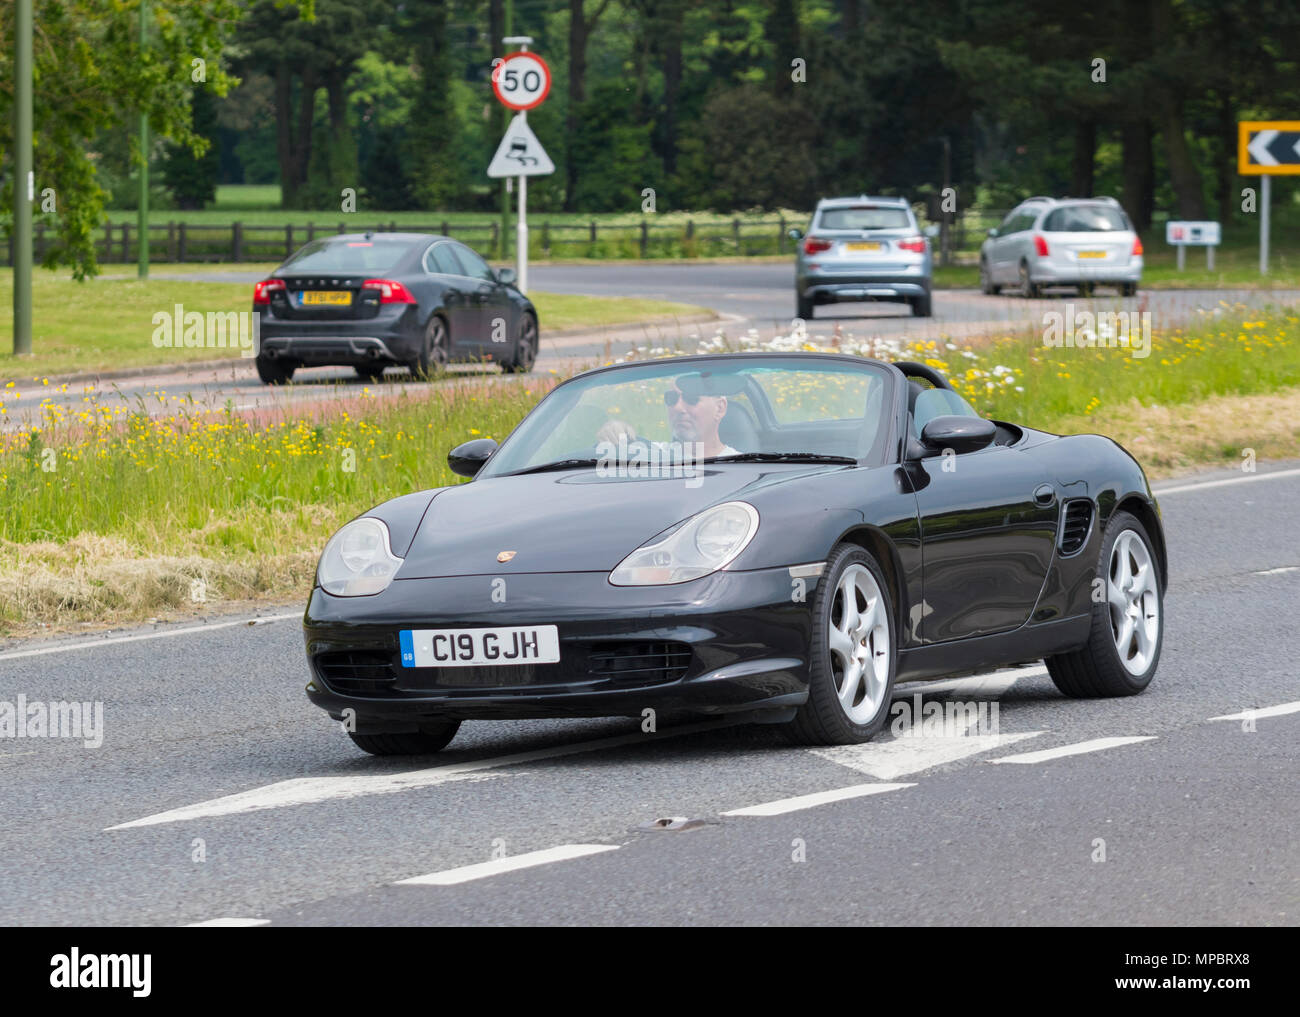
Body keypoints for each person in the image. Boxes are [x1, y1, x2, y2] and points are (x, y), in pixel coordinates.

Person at [597, 373, 739, 461]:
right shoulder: (652, 454)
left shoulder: (743, 465)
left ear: (720, 408)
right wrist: (615, 430)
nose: (677, 407)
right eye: (671, 398)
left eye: (691, 398)